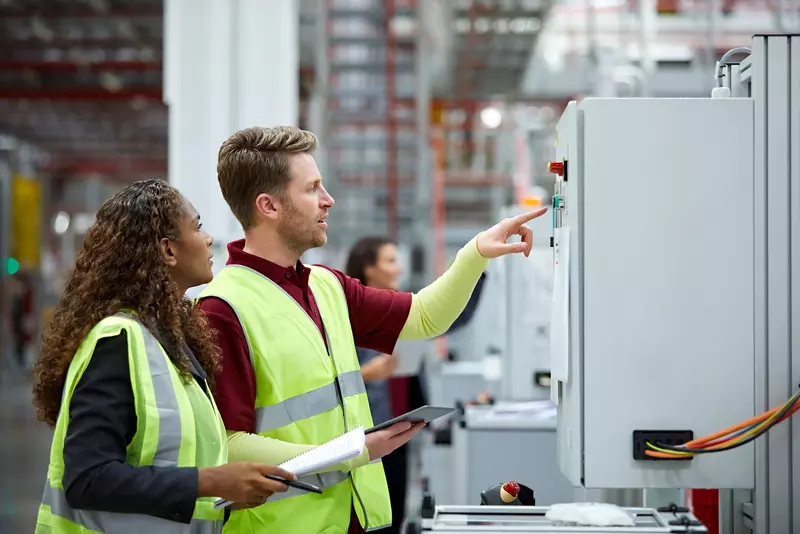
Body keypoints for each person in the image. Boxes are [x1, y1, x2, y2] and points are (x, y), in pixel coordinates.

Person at [196, 126, 547, 534]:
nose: (328, 200)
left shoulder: (325, 285)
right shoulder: (222, 309)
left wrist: (474, 254)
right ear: (269, 206)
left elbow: (424, 317)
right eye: (311, 189)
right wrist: (354, 451)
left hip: (353, 518)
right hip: (281, 524)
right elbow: (229, 443)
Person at [30, 179, 295, 533]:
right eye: (197, 227)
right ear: (168, 250)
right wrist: (210, 482)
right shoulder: (118, 341)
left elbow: (175, 461)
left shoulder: (171, 340)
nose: (208, 238)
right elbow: (87, 479)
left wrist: (226, 490)